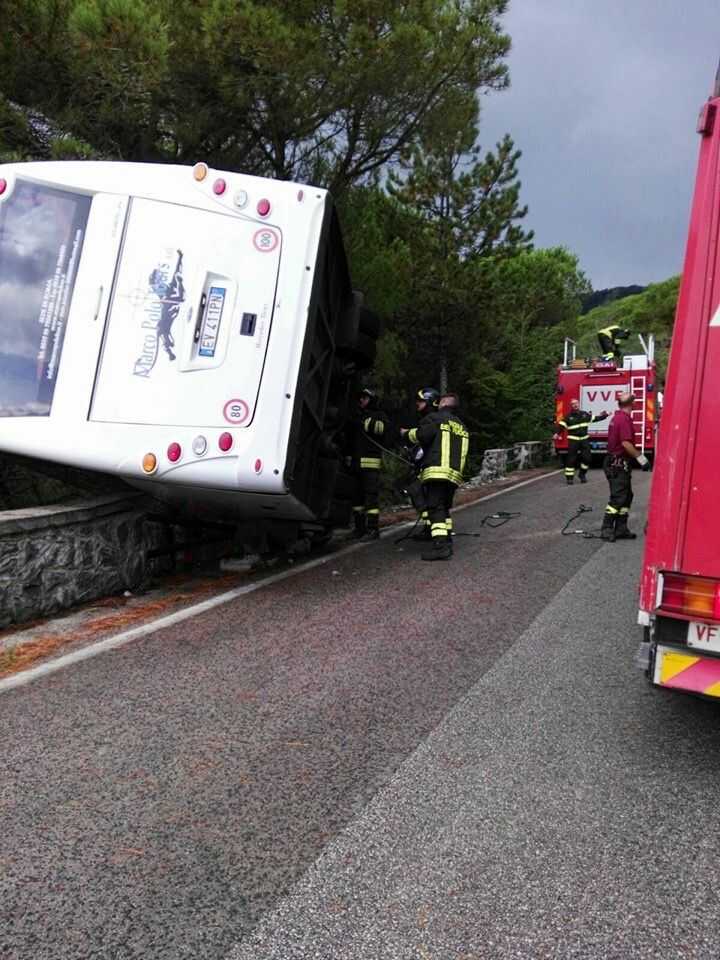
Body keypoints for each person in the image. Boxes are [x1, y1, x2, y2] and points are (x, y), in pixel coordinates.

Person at [401, 391, 469, 561]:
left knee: (435, 507)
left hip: (437, 471)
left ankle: (440, 546)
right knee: (444, 507)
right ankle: (446, 538)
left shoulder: (435, 419)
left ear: (442, 404)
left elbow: (421, 436)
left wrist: (405, 433)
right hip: (454, 474)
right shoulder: (461, 425)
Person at [601, 392, 651, 541]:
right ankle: (607, 528)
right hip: (617, 464)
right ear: (632, 404)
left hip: (617, 463)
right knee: (618, 497)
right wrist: (641, 459)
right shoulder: (623, 420)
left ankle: (621, 528)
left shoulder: (618, 418)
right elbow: (626, 443)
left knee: (627, 496)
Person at [347, 388, 388, 540]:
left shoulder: (379, 416)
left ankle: (373, 530)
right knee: (356, 499)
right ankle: (359, 528)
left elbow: (381, 429)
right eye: (361, 398)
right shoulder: (358, 416)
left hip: (370, 465)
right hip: (356, 464)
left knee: (371, 498)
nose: (362, 401)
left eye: (365, 398)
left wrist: (362, 422)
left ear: (372, 400)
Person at [401, 387, 440, 540]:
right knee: (424, 498)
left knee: (420, 495)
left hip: (430, 467)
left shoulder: (430, 419)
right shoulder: (432, 419)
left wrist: (406, 434)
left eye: (421, 401)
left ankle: (431, 529)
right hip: (428, 466)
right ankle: (429, 528)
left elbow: (426, 441)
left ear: (431, 402)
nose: (417, 403)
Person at [557, 398, 609, 484]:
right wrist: (557, 433)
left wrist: (605, 415)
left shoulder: (584, 414)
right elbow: (561, 426)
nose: (575, 405)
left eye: (576, 403)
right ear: (571, 406)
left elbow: (595, 418)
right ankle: (569, 478)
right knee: (571, 460)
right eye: (573, 404)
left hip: (584, 440)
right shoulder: (568, 417)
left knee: (587, 459)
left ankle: (582, 474)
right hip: (573, 440)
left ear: (579, 404)